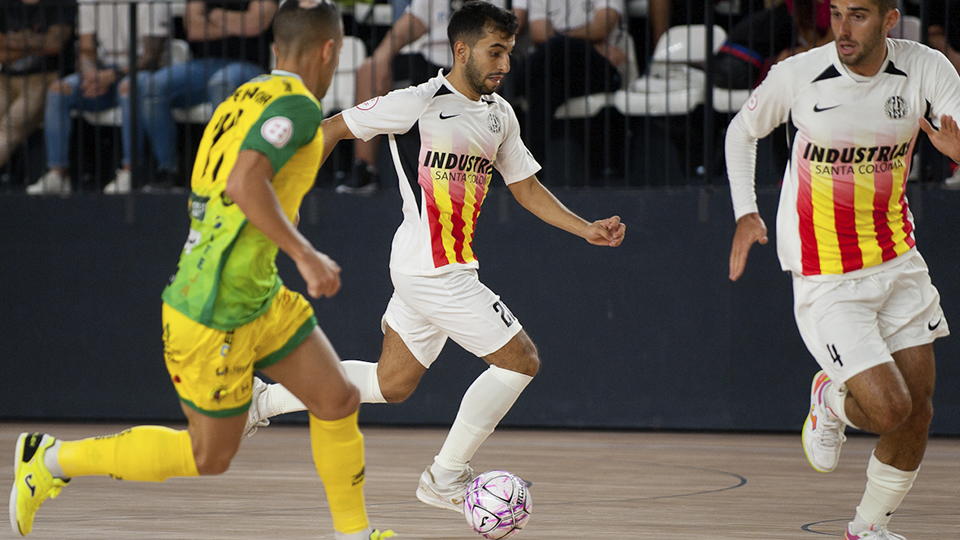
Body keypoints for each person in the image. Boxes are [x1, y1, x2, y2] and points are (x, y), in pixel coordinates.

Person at [10, 2, 394, 539]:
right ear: (330, 51)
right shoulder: (300, 106)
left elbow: (222, 188)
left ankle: (356, 535)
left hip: (255, 292)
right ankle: (49, 462)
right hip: (213, 309)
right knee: (208, 455)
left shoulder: (240, 97)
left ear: (274, 47)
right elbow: (243, 183)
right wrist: (305, 253)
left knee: (337, 399)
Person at [243, 0, 626, 513]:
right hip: (434, 268)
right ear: (461, 50)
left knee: (391, 383)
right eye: (495, 52)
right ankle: (444, 477)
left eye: (510, 52)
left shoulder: (500, 115)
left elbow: (526, 187)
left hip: (428, 267)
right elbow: (333, 129)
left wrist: (586, 229)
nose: (505, 64)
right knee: (520, 360)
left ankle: (262, 401)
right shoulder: (418, 101)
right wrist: (283, 198)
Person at [725, 0, 955, 538]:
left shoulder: (924, 66)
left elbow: (958, 128)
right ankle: (829, 398)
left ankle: (867, 528)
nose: (843, 29)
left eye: (859, 15)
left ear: (890, 19)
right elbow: (743, 130)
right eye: (836, 14)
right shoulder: (800, 74)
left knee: (919, 409)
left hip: (898, 260)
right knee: (889, 408)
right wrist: (745, 212)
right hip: (826, 273)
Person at [336, 0, 510, 194]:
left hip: (475, 64)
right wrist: (381, 57)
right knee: (370, 69)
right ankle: (365, 170)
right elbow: (405, 29)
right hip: (430, 61)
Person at [104, 0, 278, 194]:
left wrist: (212, 14)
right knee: (151, 86)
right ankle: (168, 171)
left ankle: (225, 168)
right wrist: (238, 24)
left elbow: (254, 25)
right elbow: (194, 30)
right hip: (202, 65)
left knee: (222, 83)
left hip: (249, 65)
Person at [25, 0, 170, 196]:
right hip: (102, 78)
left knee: (128, 88)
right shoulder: (89, 2)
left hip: (145, 76)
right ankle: (58, 175)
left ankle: (131, 172)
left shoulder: (152, 3)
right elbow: (86, 49)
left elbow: (151, 58)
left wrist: (112, 75)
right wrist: (91, 75)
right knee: (58, 90)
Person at [521, 0, 627, 162]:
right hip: (556, 71)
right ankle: (532, 173)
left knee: (555, 49)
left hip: (599, 68)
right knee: (545, 90)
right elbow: (539, 34)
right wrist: (586, 41)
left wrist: (562, 39)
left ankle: (511, 84)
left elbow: (601, 28)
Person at [0, 0, 75, 173]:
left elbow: (54, 44)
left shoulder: (61, 4)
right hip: (5, 78)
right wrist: (36, 43)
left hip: (45, 77)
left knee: (9, 126)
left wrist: (10, 41)